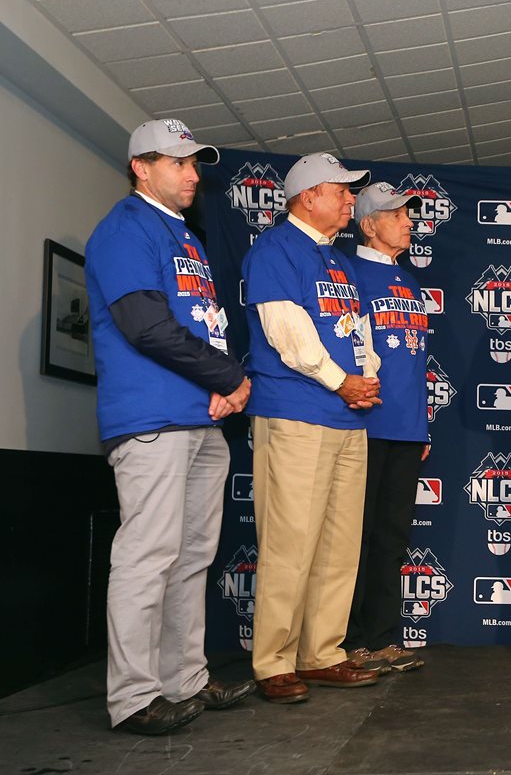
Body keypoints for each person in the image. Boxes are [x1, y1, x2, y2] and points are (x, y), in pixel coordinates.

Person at [86, 119, 255, 734]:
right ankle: (133, 698)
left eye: (194, 164)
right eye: (179, 163)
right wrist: (229, 378)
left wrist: (221, 383)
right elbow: (145, 326)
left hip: (201, 419)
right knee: (146, 556)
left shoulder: (186, 237)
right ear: (141, 166)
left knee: (190, 557)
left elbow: (199, 324)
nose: (192, 174)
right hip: (152, 417)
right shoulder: (126, 228)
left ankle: (183, 681)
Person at [242, 153, 382, 704]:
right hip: (298, 409)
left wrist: (366, 377)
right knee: (289, 541)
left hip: (349, 414)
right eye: (341, 191)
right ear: (307, 197)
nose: (351, 199)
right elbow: (287, 333)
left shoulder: (338, 260)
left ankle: (322, 652)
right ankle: (273, 660)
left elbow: (358, 327)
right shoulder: (275, 248)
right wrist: (342, 380)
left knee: (338, 545)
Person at [342, 182, 429, 675]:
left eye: (408, 214)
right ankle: (349, 640)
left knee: (393, 536)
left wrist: (422, 426)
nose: (408, 221)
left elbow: (414, 365)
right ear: (369, 224)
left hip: (406, 428)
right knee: (356, 535)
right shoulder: (348, 273)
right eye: (396, 214)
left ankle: (383, 637)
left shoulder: (410, 281)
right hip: (363, 425)